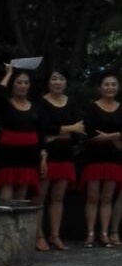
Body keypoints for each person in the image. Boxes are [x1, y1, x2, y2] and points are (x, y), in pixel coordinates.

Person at [36, 68, 84, 250]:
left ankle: (55, 235)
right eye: (54, 79)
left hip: (65, 154)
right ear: (48, 82)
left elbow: (79, 130)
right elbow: (43, 129)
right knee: (40, 197)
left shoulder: (71, 103)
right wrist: (68, 129)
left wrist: (59, 132)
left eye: (61, 79)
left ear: (66, 82)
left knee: (58, 197)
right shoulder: (41, 103)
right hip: (46, 155)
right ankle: (38, 235)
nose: (57, 82)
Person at [79, 71, 122, 247]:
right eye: (106, 84)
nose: (110, 87)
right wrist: (115, 137)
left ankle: (104, 233)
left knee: (107, 197)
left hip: (114, 158)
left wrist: (109, 136)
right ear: (99, 87)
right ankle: (90, 233)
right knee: (93, 197)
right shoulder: (91, 107)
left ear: (118, 87)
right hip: (94, 157)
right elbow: (89, 133)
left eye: (113, 84)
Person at [0, 60, 43, 201]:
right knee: (7, 192)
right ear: (12, 84)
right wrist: (9, 73)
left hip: (29, 157)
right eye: (19, 82)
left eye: (26, 83)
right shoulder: (6, 104)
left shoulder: (35, 107)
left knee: (22, 194)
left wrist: (43, 154)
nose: (23, 86)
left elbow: (40, 132)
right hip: (9, 156)